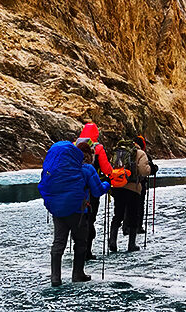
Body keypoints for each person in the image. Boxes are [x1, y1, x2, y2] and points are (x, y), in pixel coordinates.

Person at [38, 139, 110, 287]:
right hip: (78, 211)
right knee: (80, 242)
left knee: (58, 242)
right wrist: (107, 183)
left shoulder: (59, 169)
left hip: (58, 211)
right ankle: (78, 274)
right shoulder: (87, 169)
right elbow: (97, 191)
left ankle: (55, 278)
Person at [108, 137, 151, 253]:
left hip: (117, 187)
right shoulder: (140, 153)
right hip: (133, 188)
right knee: (133, 215)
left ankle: (112, 240)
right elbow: (144, 170)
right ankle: (131, 244)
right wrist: (150, 169)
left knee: (118, 214)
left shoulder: (117, 152)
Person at [78, 123, 113, 260]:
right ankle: (87, 251)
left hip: (76, 189)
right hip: (93, 187)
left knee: (79, 219)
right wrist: (108, 181)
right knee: (90, 219)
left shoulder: (75, 145)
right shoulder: (98, 148)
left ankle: (79, 249)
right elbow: (106, 169)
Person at [124, 135, 158, 235]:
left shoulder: (125, 153)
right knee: (139, 206)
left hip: (123, 183)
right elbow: (146, 170)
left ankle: (126, 227)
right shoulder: (143, 154)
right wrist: (154, 169)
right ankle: (137, 227)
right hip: (138, 184)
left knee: (126, 206)